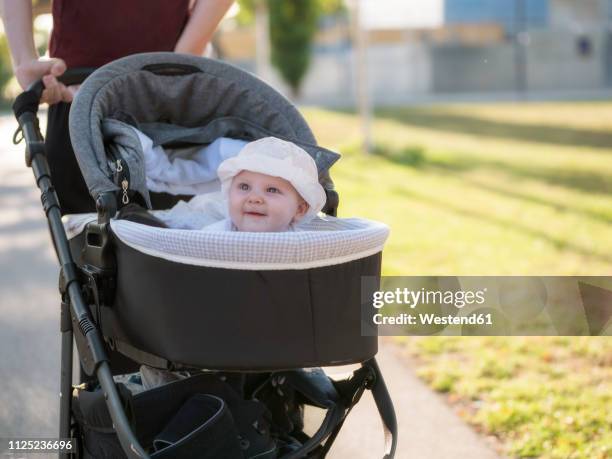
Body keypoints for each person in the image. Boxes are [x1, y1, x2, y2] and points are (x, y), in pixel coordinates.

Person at [1, 0, 234, 213]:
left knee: (170, 242)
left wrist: (176, 63)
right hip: (76, 98)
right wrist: (24, 59)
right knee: (84, 239)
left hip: (165, 102)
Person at [205, 136, 326, 232]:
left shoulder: (304, 246)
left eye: (272, 190)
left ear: (299, 209)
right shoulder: (212, 237)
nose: (254, 198)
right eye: (244, 187)